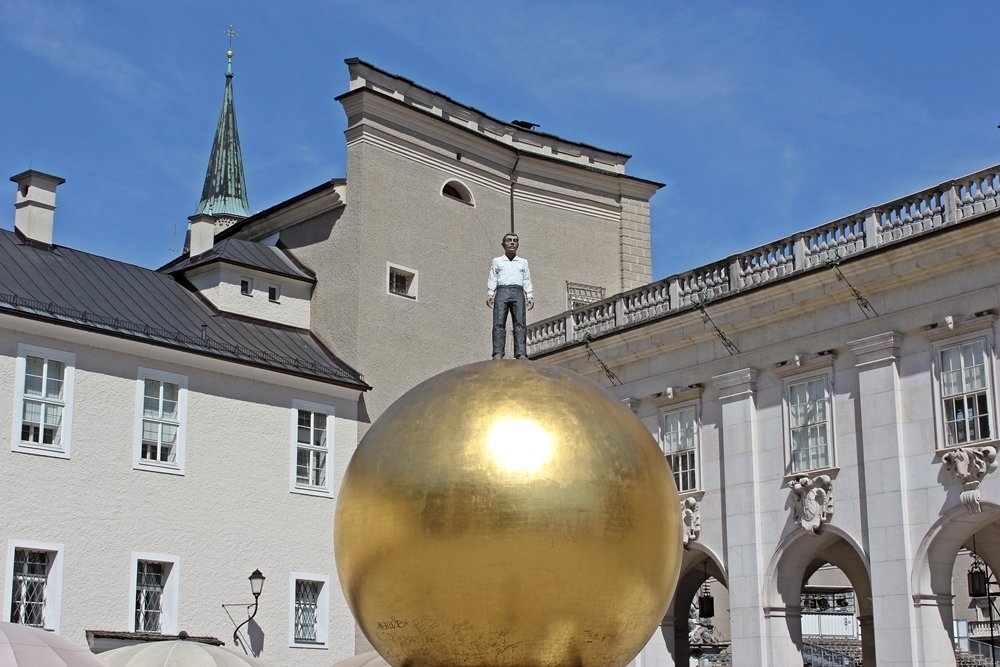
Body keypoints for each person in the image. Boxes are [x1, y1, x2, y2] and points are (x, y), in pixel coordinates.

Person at [486, 233, 533, 359]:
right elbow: (493, 278)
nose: (512, 243)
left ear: (518, 244)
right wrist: (490, 293)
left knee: (520, 323)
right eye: (509, 240)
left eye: (515, 240)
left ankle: (521, 353)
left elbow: (527, 279)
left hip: (518, 291)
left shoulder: (523, 262)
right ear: (503, 244)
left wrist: (529, 295)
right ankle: (497, 352)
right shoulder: (497, 261)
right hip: (502, 290)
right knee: (499, 323)